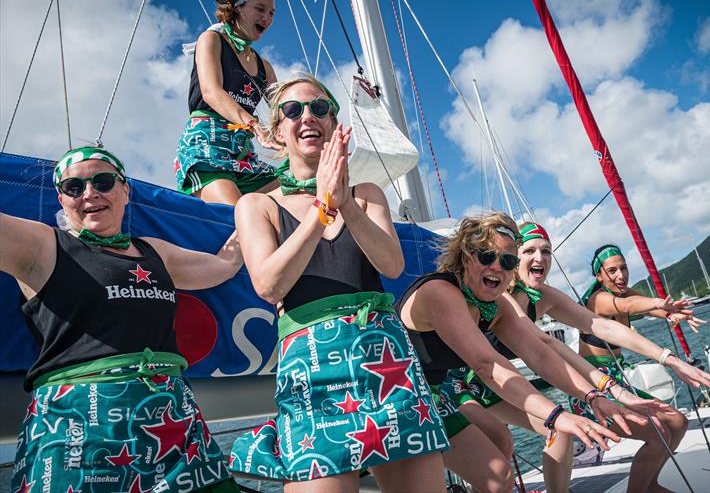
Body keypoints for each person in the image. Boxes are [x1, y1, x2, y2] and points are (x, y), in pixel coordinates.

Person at [229, 75, 449, 492]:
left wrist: (345, 200)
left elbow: (390, 262)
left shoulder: (366, 194)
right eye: (293, 111)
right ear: (278, 132)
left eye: (319, 108)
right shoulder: (257, 205)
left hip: (385, 362)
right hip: (312, 370)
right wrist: (323, 204)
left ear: (333, 123)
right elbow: (270, 285)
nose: (307, 117)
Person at [2, 146, 244, 493]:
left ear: (125, 190)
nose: (89, 194)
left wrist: (257, 212)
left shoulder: (153, 251)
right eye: (74, 187)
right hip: (77, 431)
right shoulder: (41, 245)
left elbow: (225, 266)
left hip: (173, 421)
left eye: (102, 182)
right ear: (61, 200)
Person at [396, 212, 654, 493]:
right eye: (487, 256)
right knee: (487, 472)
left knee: (499, 476)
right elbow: (487, 364)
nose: (496, 267)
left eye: (507, 261)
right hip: (392, 398)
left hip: (429, 396)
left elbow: (540, 355)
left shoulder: (494, 306)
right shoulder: (440, 292)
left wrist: (593, 397)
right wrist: (555, 416)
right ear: (468, 255)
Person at [469, 223, 710, 492]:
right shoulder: (503, 298)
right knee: (507, 449)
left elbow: (601, 325)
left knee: (672, 423)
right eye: (529, 250)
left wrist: (669, 358)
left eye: (546, 251)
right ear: (512, 257)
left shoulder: (543, 296)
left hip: (501, 382)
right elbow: (544, 342)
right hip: (473, 383)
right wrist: (608, 391)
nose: (539, 258)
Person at [575, 242, 710, 492]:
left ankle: (650, 485)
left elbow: (645, 306)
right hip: (591, 387)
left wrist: (673, 313)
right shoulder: (598, 300)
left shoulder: (623, 292)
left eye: (623, 268)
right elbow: (629, 306)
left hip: (616, 380)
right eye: (612, 271)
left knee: (678, 422)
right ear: (598, 276)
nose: (620, 275)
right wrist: (658, 303)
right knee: (659, 434)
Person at [175, 0, 282, 205]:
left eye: (272, 13)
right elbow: (212, 92)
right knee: (236, 216)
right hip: (206, 147)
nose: (267, 18)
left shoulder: (265, 67)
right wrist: (255, 126)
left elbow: (283, 112)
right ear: (237, 7)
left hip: (243, 154)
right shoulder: (212, 39)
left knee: (296, 197)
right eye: (260, 9)